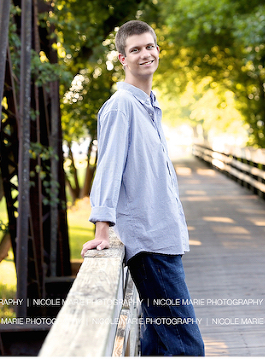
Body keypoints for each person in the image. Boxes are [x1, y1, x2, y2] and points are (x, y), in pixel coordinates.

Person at [81, 20, 205, 356]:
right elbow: (108, 169)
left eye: (149, 46)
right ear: (123, 59)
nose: (145, 54)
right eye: (135, 49)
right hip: (150, 246)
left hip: (164, 238)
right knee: (188, 348)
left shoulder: (149, 105)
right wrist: (102, 229)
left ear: (158, 50)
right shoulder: (121, 106)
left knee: (158, 345)